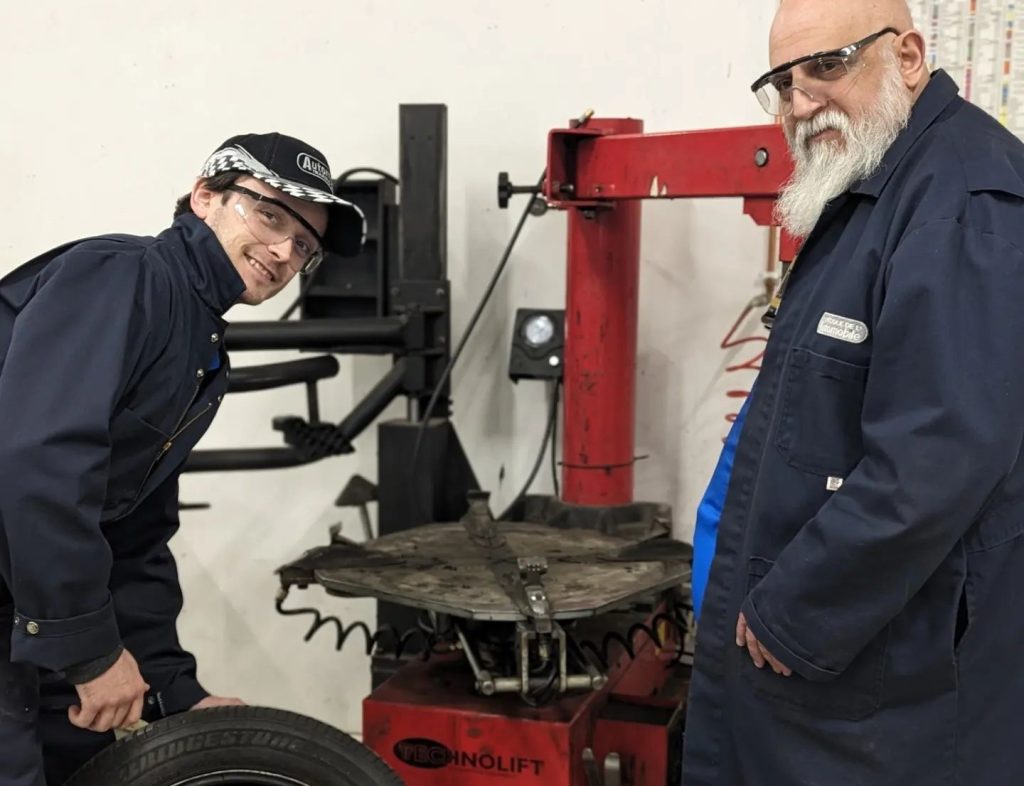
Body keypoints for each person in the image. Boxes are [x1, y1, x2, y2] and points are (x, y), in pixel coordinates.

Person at [682, 0, 1024, 783]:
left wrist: (793, 611)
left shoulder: (963, 207)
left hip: (881, 694)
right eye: (783, 82)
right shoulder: (873, 187)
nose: (802, 103)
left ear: (906, 56)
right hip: (824, 672)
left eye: (827, 66)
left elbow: (937, 461)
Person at [0, 132, 365, 785]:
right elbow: (40, 464)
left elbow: (135, 533)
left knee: (87, 751)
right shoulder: (125, 276)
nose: (284, 252)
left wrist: (175, 692)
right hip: (21, 594)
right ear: (204, 197)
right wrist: (89, 654)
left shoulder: (200, 348)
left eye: (305, 245)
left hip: (23, 593)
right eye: (271, 213)